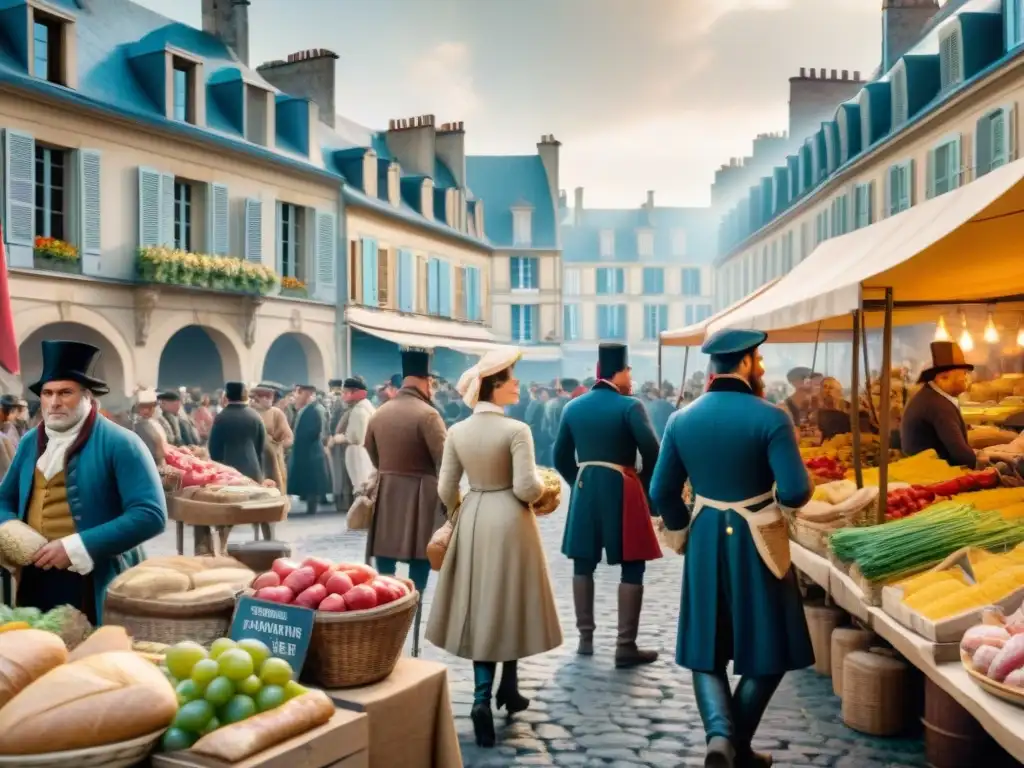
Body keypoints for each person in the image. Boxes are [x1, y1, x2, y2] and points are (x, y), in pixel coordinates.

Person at [650, 328, 814, 768]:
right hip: (758, 537)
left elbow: (661, 491)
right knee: (772, 646)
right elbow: (796, 491)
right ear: (744, 363)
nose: (760, 366)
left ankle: (722, 739)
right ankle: (733, 742)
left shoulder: (680, 420)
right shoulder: (772, 416)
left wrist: (683, 527)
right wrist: (772, 502)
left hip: (704, 535)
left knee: (706, 645)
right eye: (757, 359)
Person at [426, 347, 562, 748]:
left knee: (484, 604)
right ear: (495, 386)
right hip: (511, 518)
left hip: (474, 515)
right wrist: (543, 486)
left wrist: (460, 512)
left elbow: (445, 488)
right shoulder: (517, 430)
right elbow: (525, 487)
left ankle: (496, 692)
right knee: (512, 601)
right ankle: (500, 691)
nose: (517, 383)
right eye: (511, 378)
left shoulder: (458, 431)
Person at [0, 341, 166, 622]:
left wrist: (77, 546)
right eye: (47, 393)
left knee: (93, 659)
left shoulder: (122, 442)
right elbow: (4, 498)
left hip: (96, 578)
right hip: (34, 578)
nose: (54, 402)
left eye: (66, 392)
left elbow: (150, 514)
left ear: (88, 395)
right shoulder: (30, 441)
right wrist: (11, 529)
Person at [553, 343, 662, 667]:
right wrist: (640, 483)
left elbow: (560, 457)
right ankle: (624, 645)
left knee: (582, 562)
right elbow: (653, 451)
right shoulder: (631, 406)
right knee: (633, 562)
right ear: (620, 371)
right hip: (622, 487)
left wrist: (581, 481)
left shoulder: (573, 407)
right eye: (629, 370)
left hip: (586, 488)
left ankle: (585, 639)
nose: (631, 377)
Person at [365, 349, 446, 655]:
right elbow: (445, 461)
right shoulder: (428, 414)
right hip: (421, 499)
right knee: (418, 576)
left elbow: (371, 453)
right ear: (426, 382)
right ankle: (411, 640)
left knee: (384, 574)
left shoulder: (380, 412)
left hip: (386, 497)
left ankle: (385, 636)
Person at [901, 341, 980, 469]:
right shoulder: (938, 407)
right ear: (943, 377)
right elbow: (961, 455)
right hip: (930, 473)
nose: (966, 378)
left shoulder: (931, 397)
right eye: (963, 373)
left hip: (924, 467)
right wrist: (985, 466)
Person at [287, 385, 332, 515]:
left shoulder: (314, 410)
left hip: (311, 451)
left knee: (312, 481)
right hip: (305, 450)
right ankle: (310, 504)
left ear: (306, 394)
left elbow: (314, 431)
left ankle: (312, 507)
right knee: (309, 480)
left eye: (298, 394)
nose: (295, 397)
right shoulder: (305, 410)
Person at [208, 382, 265, 483]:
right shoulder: (255, 417)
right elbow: (261, 448)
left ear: (226, 396)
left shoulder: (221, 418)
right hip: (253, 472)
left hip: (227, 475)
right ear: (244, 395)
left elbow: (213, 449)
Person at [330, 377, 376, 496]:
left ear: (355, 392)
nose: (343, 396)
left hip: (359, 454)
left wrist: (338, 438)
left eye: (345, 393)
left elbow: (357, 438)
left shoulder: (360, 410)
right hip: (362, 452)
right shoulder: (363, 407)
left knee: (361, 487)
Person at [250, 383, 293, 494]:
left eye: (271, 397)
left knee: (275, 488)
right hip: (253, 457)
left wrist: (276, 447)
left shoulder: (276, 413)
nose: (270, 400)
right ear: (258, 398)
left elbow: (289, 437)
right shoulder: (248, 413)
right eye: (266, 397)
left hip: (273, 460)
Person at [133, 389, 168, 466]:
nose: (147, 410)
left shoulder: (154, 423)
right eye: (144, 407)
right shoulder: (139, 426)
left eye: (151, 407)